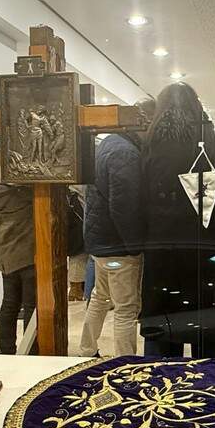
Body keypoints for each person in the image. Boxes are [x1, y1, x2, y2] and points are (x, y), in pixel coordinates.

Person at [140, 83, 215, 359]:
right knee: (209, 325)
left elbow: (143, 195)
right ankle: (212, 388)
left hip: (163, 246)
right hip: (205, 246)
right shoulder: (212, 140)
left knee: (163, 328)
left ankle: (160, 387)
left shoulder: (152, 141)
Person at [79, 120, 145, 358]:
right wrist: (135, 246)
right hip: (118, 247)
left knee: (99, 297)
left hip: (100, 243)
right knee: (126, 308)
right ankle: (125, 363)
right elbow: (123, 207)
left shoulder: (107, 144)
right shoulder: (125, 153)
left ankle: (86, 350)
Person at [0, 150, 36, 355]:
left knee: (9, 304)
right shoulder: (25, 193)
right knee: (31, 306)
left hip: (6, 256)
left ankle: (7, 351)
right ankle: (32, 351)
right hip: (28, 254)